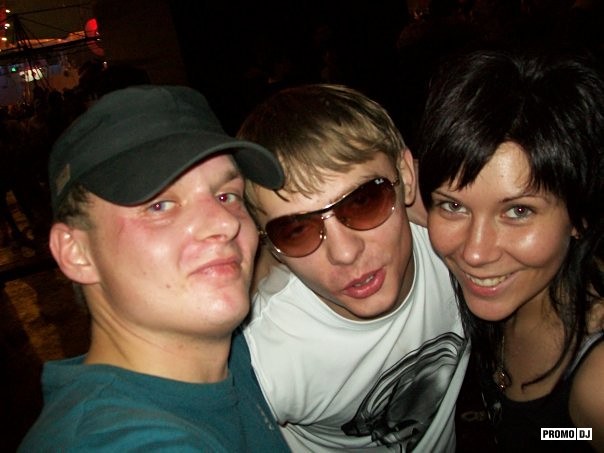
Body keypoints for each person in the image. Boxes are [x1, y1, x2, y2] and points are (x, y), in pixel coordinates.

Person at [18, 84, 290, 452]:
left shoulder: (227, 358)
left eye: (227, 196)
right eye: (159, 205)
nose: (225, 223)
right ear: (76, 252)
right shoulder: (113, 442)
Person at [236, 84, 469, 451]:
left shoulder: (462, 253)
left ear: (406, 178)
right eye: (296, 230)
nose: (344, 253)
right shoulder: (269, 356)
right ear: (272, 246)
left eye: (363, 201)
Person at [417, 47, 604, 451]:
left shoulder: (596, 386)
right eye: (453, 206)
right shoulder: (506, 288)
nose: (475, 253)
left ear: (579, 217)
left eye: (518, 211)